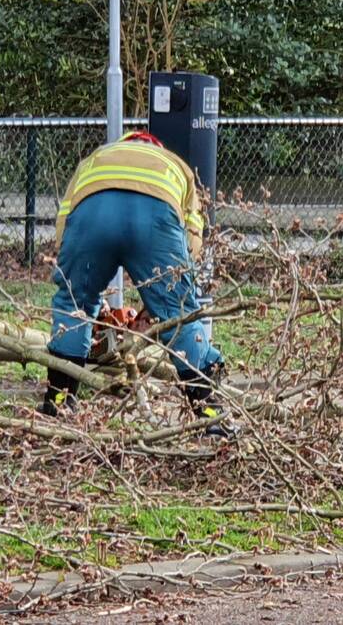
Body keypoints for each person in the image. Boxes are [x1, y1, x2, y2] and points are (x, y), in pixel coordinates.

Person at [40, 130, 236, 438]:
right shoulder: (175, 164)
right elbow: (192, 235)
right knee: (179, 315)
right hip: (154, 220)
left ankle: (59, 404)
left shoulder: (94, 160)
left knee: (73, 306)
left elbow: (66, 221)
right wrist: (166, 295)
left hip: (92, 218)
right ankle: (210, 416)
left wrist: (77, 282)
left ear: (125, 143)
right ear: (154, 147)